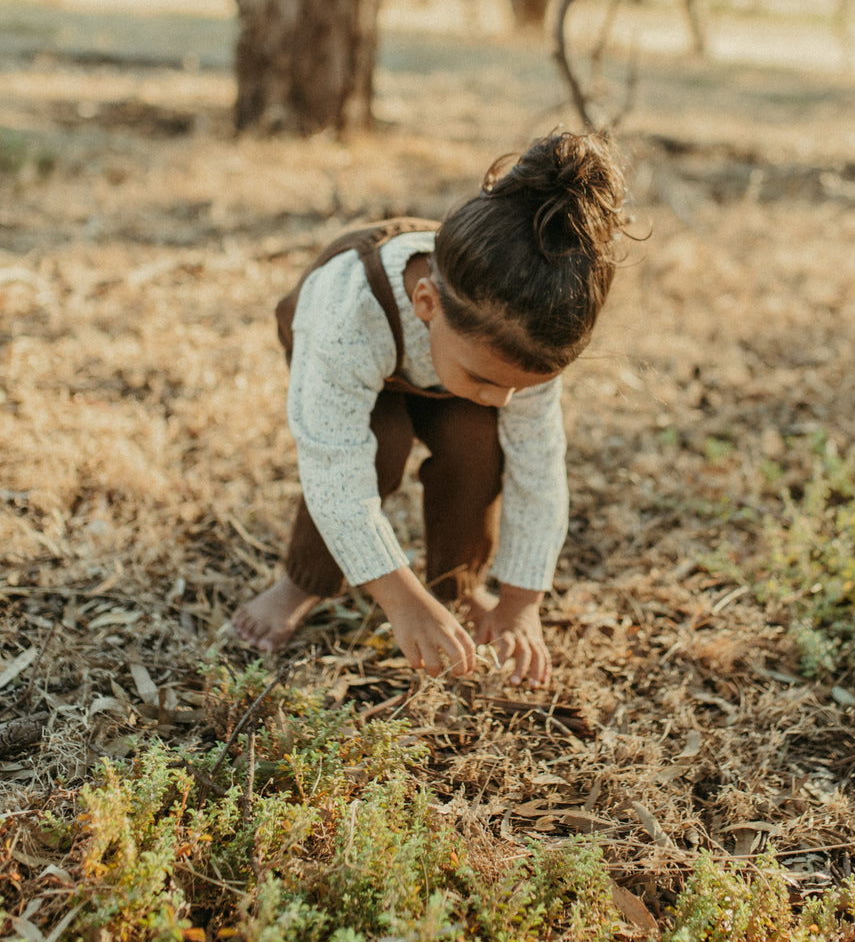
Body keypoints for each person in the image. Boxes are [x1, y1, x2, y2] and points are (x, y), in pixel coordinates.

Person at [232, 132, 626, 688]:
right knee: (380, 448)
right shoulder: (345, 315)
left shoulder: (521, 337)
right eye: (489, 381)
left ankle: (458, 585)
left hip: (444, 363)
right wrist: (400, 601)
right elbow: (333, 466)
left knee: (479, 444)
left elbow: (539, 467)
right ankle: (304, 581)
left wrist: (521, 600)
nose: (503, 400)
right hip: (353, 352)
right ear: (426, 303)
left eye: (521, 388)